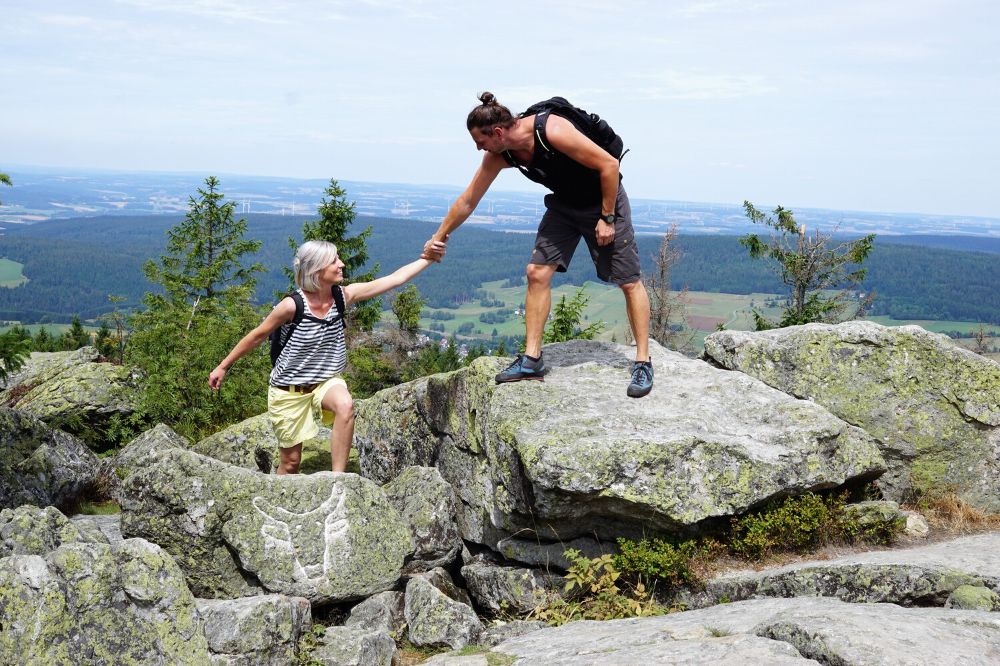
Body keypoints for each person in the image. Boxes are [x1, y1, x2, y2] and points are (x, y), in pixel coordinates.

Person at [424, 92, 653, 397]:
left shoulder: (552, 131)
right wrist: (439, 236)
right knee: (536, 272)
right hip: (564, 206)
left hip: (603, 201)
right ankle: (532, 359)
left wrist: (608, 218)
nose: (479, 148)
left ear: (497, 132)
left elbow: (609, 165)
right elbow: (468, 200)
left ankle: (642, 361)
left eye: (480, 141)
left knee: (627, 280)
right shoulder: (501, 154)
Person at [209, 239, 445, 474]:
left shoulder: (342, 297)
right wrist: (223, 366)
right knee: (291, 464)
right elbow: (257, 336)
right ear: (317, 269)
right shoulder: (291, 306)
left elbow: (394, 279)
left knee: (345, 405)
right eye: (334, 261)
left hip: (325, 382)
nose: (341, 264)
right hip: (288, 390)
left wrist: (427, 259)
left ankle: (338, 479)